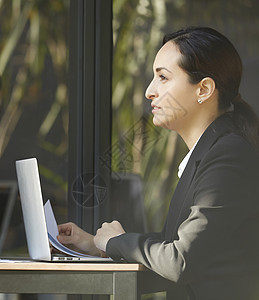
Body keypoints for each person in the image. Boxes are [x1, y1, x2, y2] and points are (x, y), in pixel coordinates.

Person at [57, 27, 259, 300]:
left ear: (204, 89)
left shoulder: (228, 155)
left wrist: (116, 242)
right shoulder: (211, 152)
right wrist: (97, 245)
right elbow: (178, 256)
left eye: (163, 77)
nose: (150, 91)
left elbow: (180, 261)